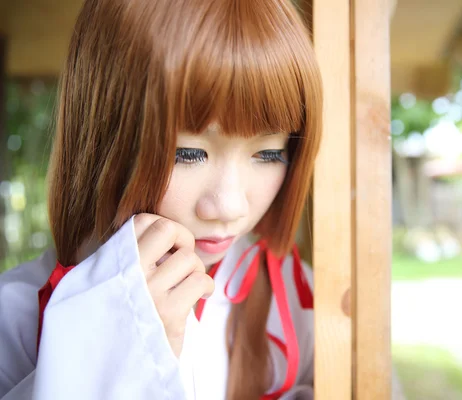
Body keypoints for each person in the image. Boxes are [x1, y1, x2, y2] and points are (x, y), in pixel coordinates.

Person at [0, 0, 322, 398]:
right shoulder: (14, 316)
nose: (230, 206)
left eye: (269, 153)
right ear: (103, 136)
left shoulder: (299, 302)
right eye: (188, 153)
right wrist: (116, 352)